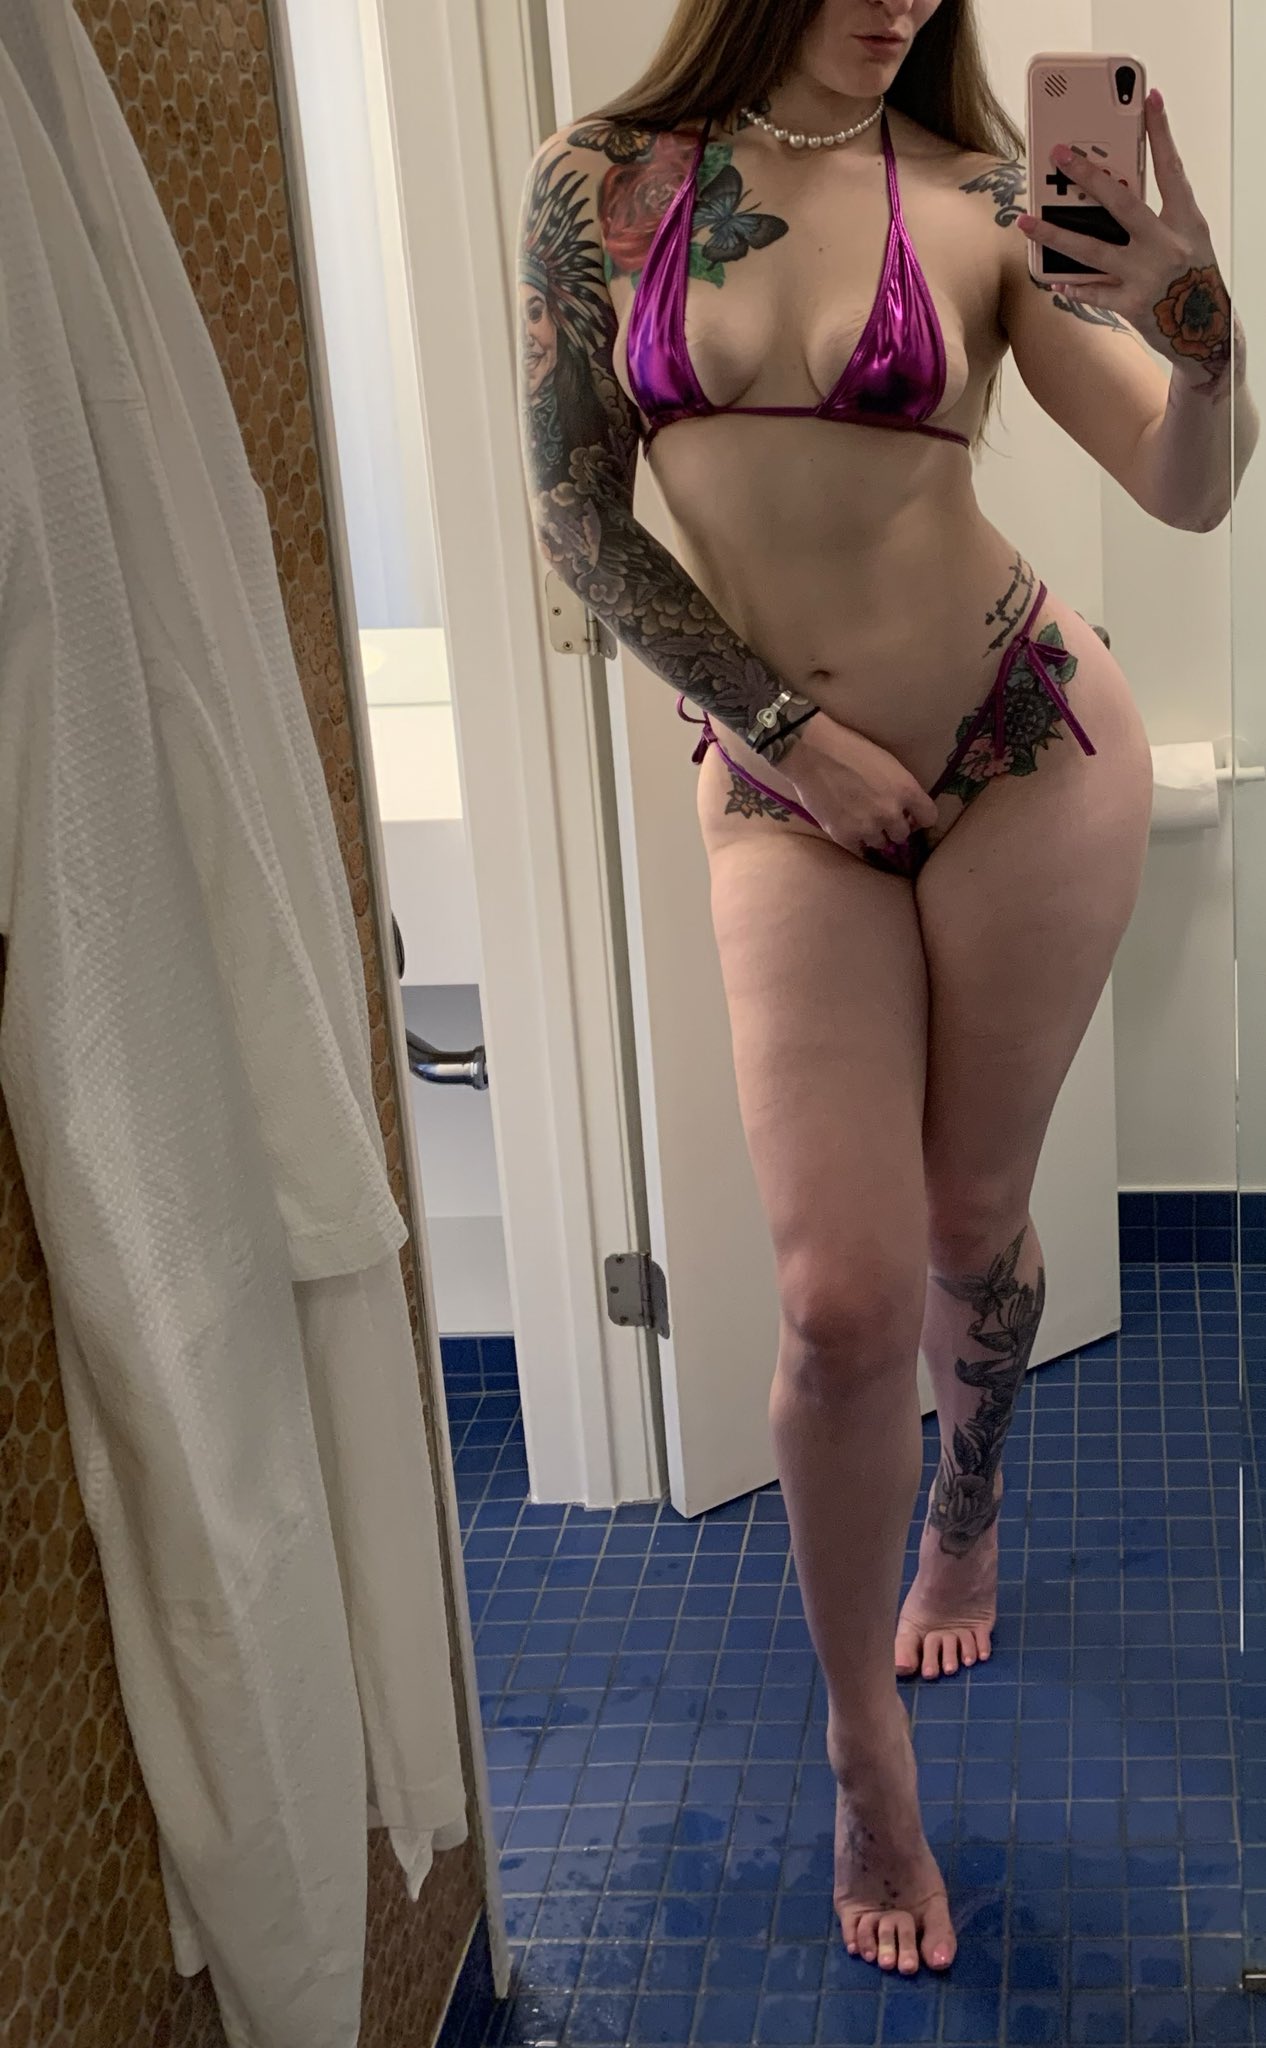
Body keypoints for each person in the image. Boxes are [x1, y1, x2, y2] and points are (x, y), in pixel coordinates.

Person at [516, 0, 1257, 1979]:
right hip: (785, 791)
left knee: (968, 1225)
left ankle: (969, 1509)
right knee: (840, 1304)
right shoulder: (602, 186)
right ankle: (864, 1754)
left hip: (1030, 744)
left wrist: (1200, 333)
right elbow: (578, 511)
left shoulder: (990, 196)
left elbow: (1186, 486)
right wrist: (784, 732)